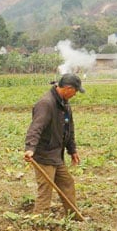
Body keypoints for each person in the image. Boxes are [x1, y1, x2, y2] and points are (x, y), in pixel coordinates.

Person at [24, 74, 83, 218]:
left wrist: (72, 150)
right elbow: (36, 127)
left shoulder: (64, 104)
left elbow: (68, 129)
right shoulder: (46, 103)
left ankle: (74, 216)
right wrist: (30, 148)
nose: (75, 94)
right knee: (46, 189)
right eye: (75, 91)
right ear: (68, 88)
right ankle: (39, 220)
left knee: (67, 183)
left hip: (56, 154)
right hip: (44, 155)